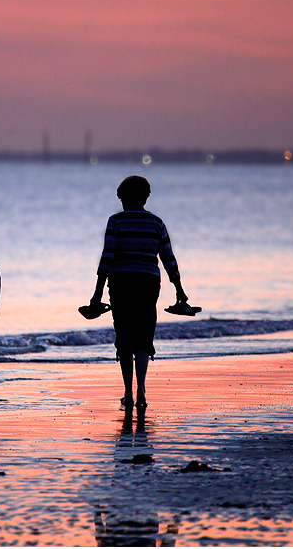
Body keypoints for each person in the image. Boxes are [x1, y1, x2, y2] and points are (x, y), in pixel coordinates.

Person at [88, 175, 188, 410]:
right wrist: (180, 291)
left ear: (122, 198)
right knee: (144, 334)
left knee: (124, 335)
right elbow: (168, 259)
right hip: (148, 282)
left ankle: (127, 392)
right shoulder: (157, 223)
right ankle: (142, 389)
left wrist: (96, 294)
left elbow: (107, 258)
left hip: (121, 281)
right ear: (145, 198)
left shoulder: (115, 222)